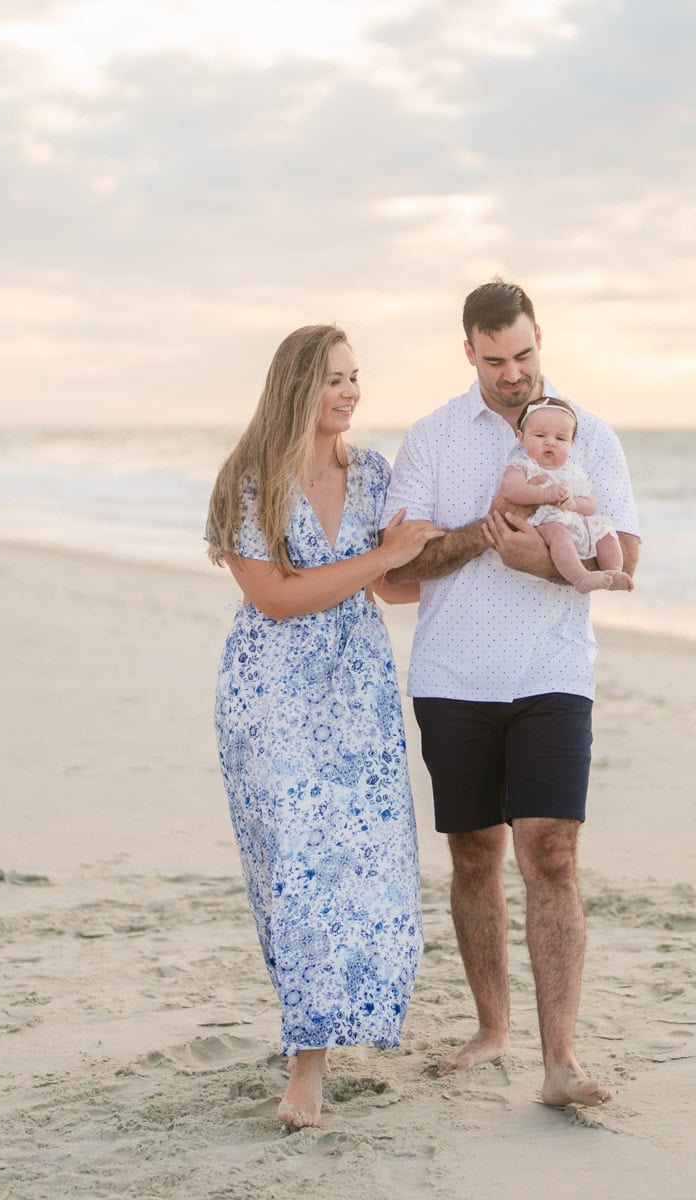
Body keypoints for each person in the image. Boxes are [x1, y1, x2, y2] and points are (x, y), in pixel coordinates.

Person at [383, 280, 640, 1108]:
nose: (512, 374)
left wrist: (547, 563)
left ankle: (559, 1060)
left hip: (553, 670)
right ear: (469, 353)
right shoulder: (429, 439)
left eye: (524, 355)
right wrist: (476, 540)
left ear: (540, 343)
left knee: (551, 852)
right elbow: (397, 568)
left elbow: (626, 552)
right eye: (494, 360)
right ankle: (492, 1029)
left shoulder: (589, 433)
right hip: (454, 675)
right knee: (474, 857)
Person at [205, 324, 442, 1129]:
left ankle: (337, 1026)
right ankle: (307, 1068)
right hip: (272, 698)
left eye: (355, 377)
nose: (351, 392)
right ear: (297, 386)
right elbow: (277, 595)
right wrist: (384, 560)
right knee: (298, 869)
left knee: (367, 865)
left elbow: (395, 586)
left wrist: (476, 550)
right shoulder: (247, 480)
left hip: (359, 694)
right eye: (335, 379)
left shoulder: (373, 473)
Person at [499, 396, 632, 593]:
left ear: (571, 443)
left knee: (603, 526)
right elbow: (510, 490)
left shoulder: (573, 472)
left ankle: (614, 572)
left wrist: (574, 504)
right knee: (557, 533)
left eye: (560, 439)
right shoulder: (523, 466)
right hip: (541, 524)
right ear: (521, 437)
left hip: (573, 522)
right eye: (540, 436)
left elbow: (590, 503)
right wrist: (544, 496)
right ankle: (580, 577)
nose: (550, 443)